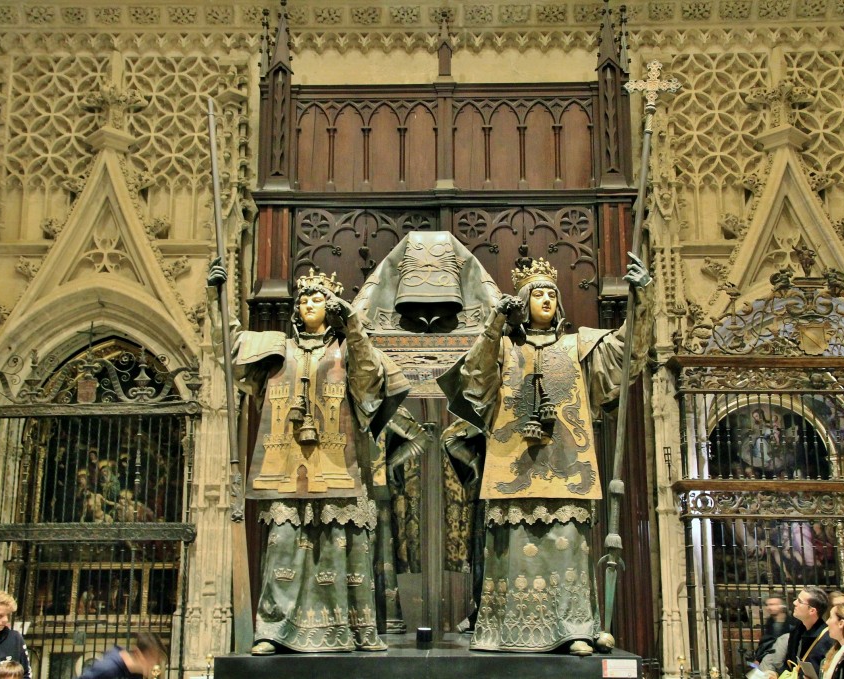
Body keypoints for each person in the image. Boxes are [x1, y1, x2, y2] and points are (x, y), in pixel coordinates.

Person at [437, 253, 653, 655]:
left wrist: (642, 299)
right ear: (523, 301)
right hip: (513, 465)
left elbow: (626, 352)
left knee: (567, 549)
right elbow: (474, 381)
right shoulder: (503, 348)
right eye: (537, 294)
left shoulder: (579, 346)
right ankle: (505, 629)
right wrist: (494, 324)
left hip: (566, 467)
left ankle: (574, 629)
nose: (546, 300)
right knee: (514, 555)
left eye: (552, 294)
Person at [207, 261, 409, 654]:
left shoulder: (348, 350)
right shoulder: (277, 349)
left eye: (318, 298)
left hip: (338, 467)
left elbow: (370, 382)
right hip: (285, 467)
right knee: (284, 547)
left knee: (339, 547)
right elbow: (230, 348)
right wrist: (218, 298)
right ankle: (273, 631)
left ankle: (351, 628)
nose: (309, 304)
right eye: (303, 300)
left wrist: (353, 323)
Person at [770, 586, 835, 679]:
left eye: (800, 601)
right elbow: (790, 664)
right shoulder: (797, 629)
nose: (794, 602)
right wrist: (777, 675)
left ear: (812, 610)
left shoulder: (827, 639)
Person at [79, 633, 166, 679]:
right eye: (151, 658)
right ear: (138, 653)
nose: (155, 665)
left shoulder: (136, 673)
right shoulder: (108, 668)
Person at [755, 595, 793, 663]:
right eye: (767, 605)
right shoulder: (770, 622)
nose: (769, 607)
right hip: (771, 657)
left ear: (782, 606)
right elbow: (766, 642)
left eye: (772, 604)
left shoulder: (792, 622)